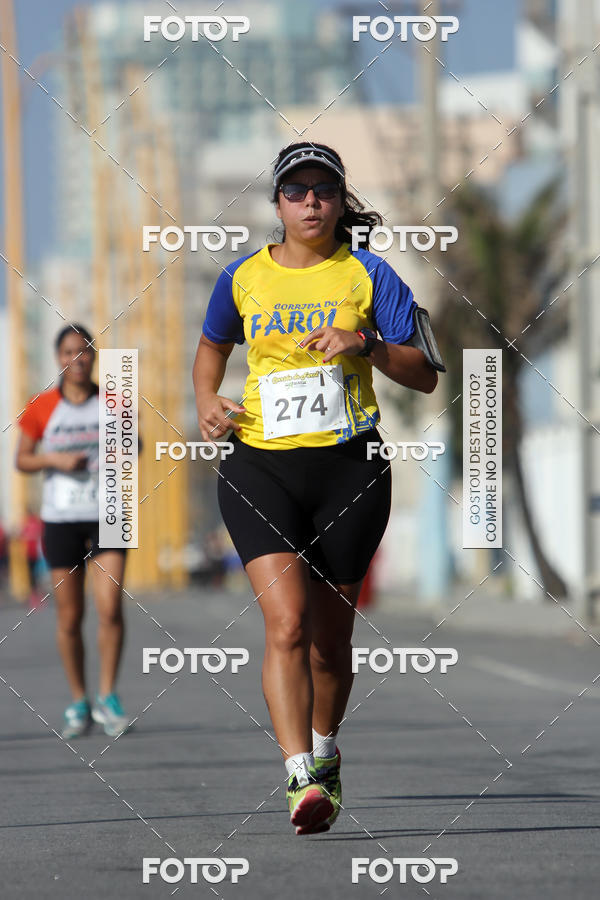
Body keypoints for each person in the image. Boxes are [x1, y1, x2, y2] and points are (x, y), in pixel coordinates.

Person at [192, 141, 444, 835]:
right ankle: (299, 774)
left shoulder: (370, 274)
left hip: (350, 469)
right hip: (261, 466)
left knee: (332, 643)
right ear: (276, 204)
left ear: (340, 201)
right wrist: (207, 399)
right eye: (296, 191)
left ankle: (327, 751)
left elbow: (423, 372)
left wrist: (364, 343)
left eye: (323, 191)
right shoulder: (243, 278)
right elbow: (212, 346)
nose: (310, 202)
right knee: (287, 625)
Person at [15, 324, 130, 739]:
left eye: (83, 352)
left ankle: (109, 697)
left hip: (109, 511)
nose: (76, 360)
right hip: (60, 516)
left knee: (110, 606)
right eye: (67, 352)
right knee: (70, 615)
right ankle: (79, 700)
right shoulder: (42, 406)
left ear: (93, 358)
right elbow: (22, 460)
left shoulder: (115, 401)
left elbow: (137, 445)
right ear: (58, 358)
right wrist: (56, 461)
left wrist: (123, 440)